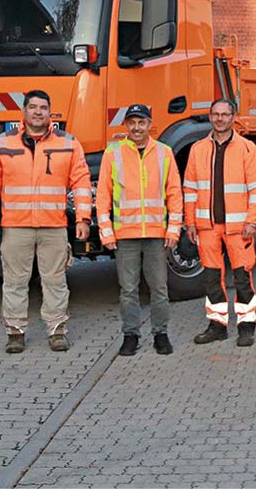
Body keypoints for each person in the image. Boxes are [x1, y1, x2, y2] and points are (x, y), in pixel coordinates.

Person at [0, 90, 91, 354]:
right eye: (33, 107)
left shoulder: (68, 143)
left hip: (53, 226)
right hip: (16, 226)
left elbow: (82, 182)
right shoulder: (2, 143)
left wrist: (84, 218)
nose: (38, 112)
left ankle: (56, 331)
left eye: (43, 108)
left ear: (50, 113)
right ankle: (15, 333)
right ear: (24, 111)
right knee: (15, 281)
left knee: (55, 281)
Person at [97, 104, 182, 356]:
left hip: (156, 235)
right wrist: (106, 232)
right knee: (128, 290)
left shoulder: (164, 153)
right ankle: (131, 335)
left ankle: (161, 334)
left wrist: (174, 230)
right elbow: (102, 196)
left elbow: (174, 193)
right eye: (132, 122)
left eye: (141, 122)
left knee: (159, 288)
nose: (137, 127)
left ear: (149, 125)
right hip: (125, 236)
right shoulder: (112, 154)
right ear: (126, 126)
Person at [185, 99, 256, 347]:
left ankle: (246, 326)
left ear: (233, 117)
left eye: (225, 114)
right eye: (215, 114)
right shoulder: (197, 149)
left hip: (238, 227)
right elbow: (190, 189)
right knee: (211, 277)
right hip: (207, 226)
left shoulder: (247, 149)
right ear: (210, 117)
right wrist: (190, 222)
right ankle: (217, 325)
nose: (220, 119)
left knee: (242, 276)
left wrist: (252, 220)